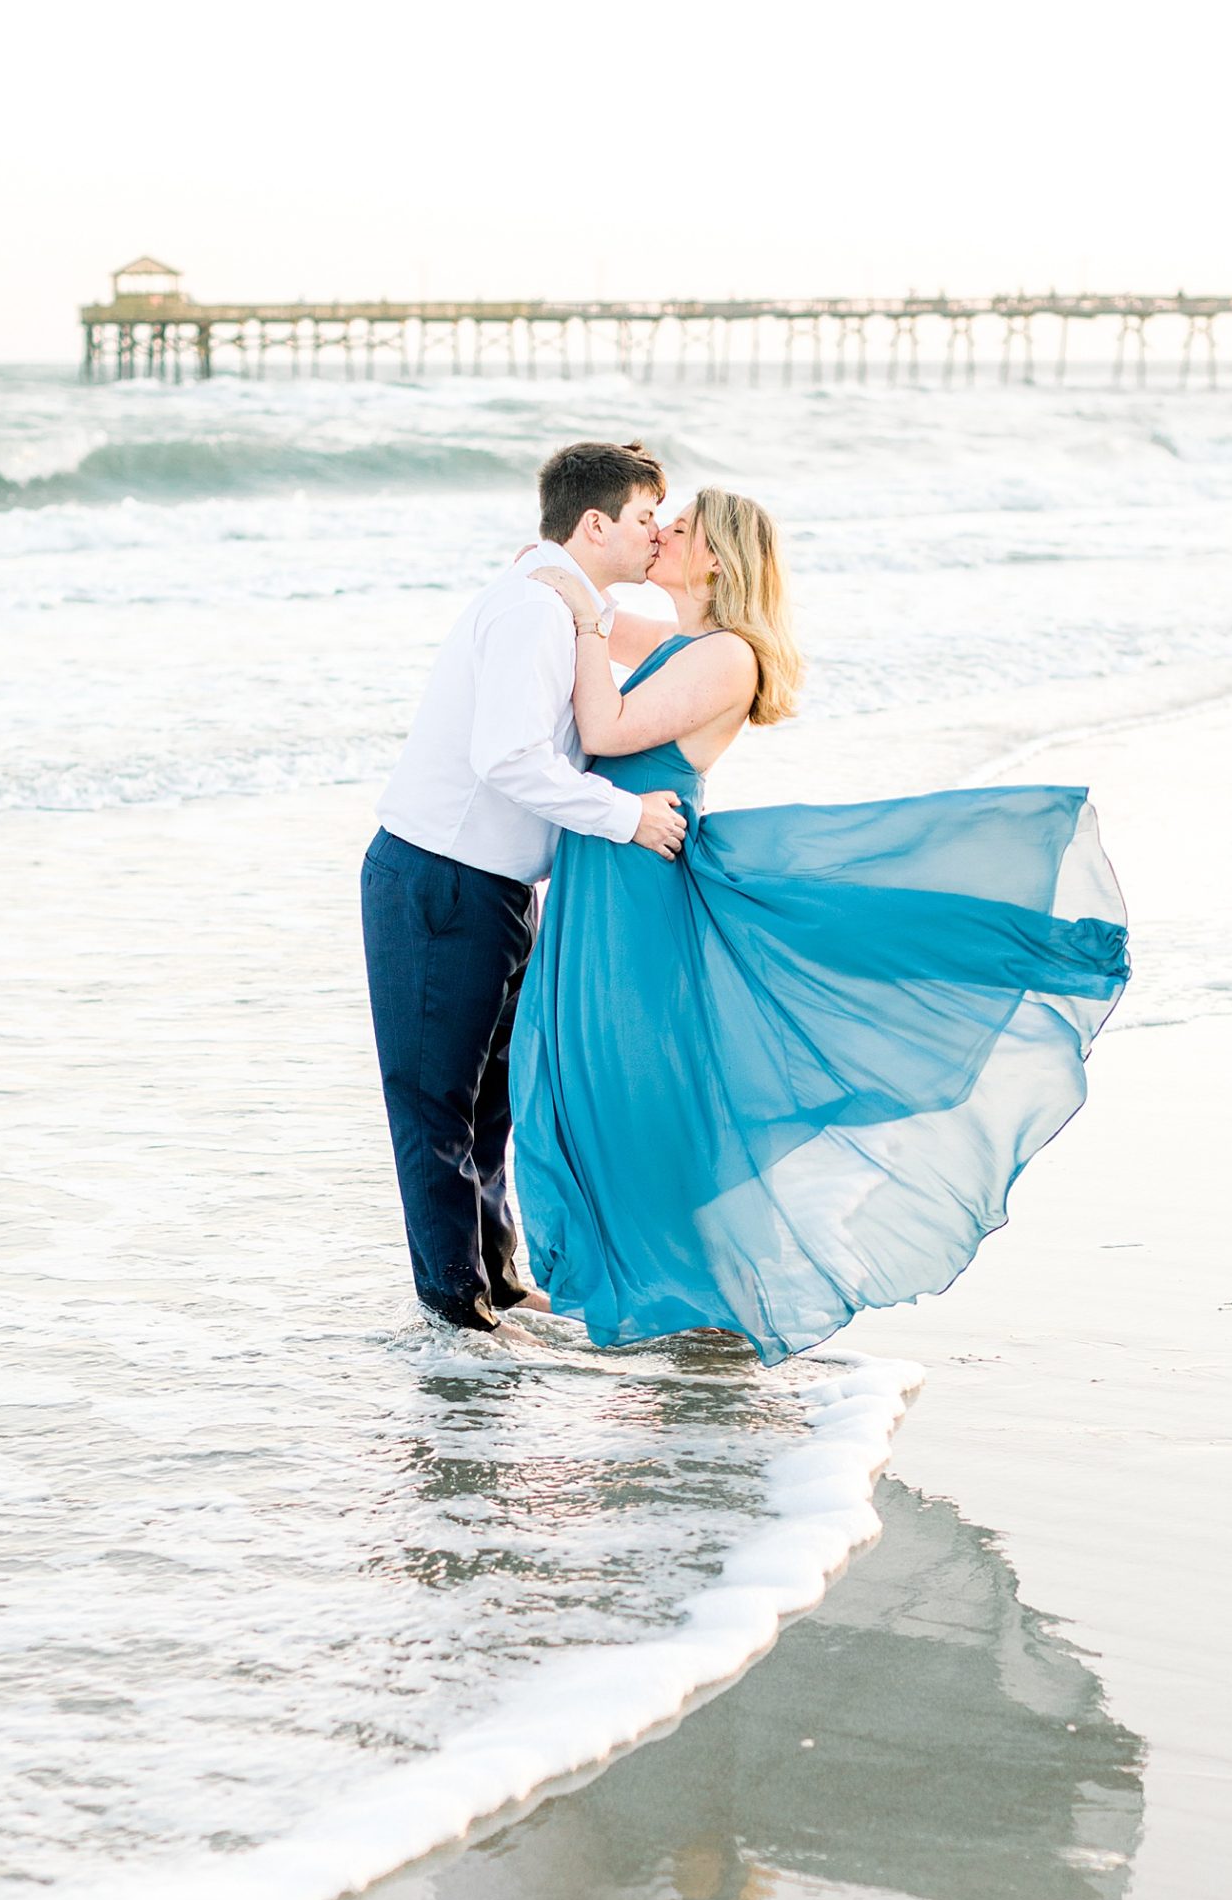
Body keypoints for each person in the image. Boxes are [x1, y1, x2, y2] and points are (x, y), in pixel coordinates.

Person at [511, 489, 1131, 1364]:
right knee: (602, 1070)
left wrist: (578, 617)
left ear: (716, 557)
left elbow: (602, 730)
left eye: (676, 528)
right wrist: (557, 582)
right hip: (607, 873)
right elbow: (588, 616)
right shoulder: (683, 640)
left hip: (639, 881)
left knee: (639, 1077)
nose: (657, 534)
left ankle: (697, 1291)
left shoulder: (727, 657)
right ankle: (672, 1283)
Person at [362, 441, 688, 1332]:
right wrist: (624, 818)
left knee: (491, 1098)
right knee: (433, 1100)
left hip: (497, 884)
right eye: (642, 518)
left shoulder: (566, 602)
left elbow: (675, 648)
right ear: (594, 525)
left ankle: (495, 1280)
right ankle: (453, 1310)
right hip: (439, 877)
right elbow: (506, 756)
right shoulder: (533, 611)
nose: (656, 534)